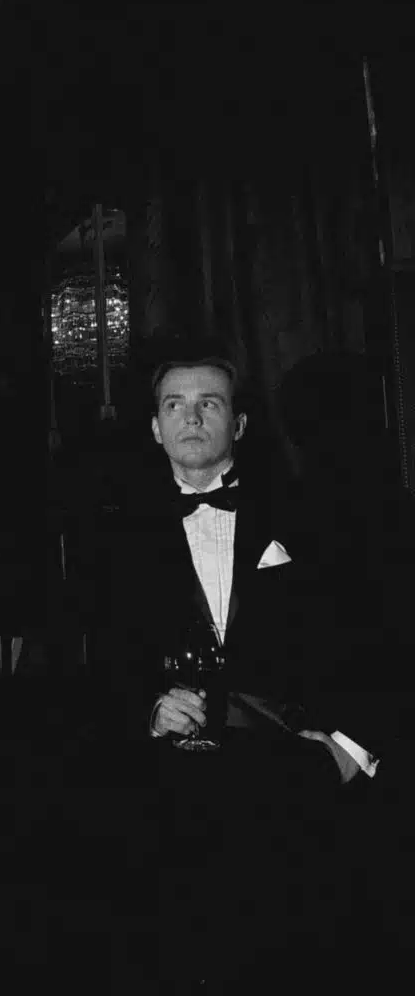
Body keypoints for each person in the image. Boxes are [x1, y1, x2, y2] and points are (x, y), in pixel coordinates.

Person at [92, 337, 385, 991]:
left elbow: (371, 638)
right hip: (167, 794)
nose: (191, 418)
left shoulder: (312, 518)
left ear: (241, 423)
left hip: (292, 780)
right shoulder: (114, 539)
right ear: (155, 426)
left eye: (210, 403)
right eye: (174, 404)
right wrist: (147, 708)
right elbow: (96, 665)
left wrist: (351, 750)